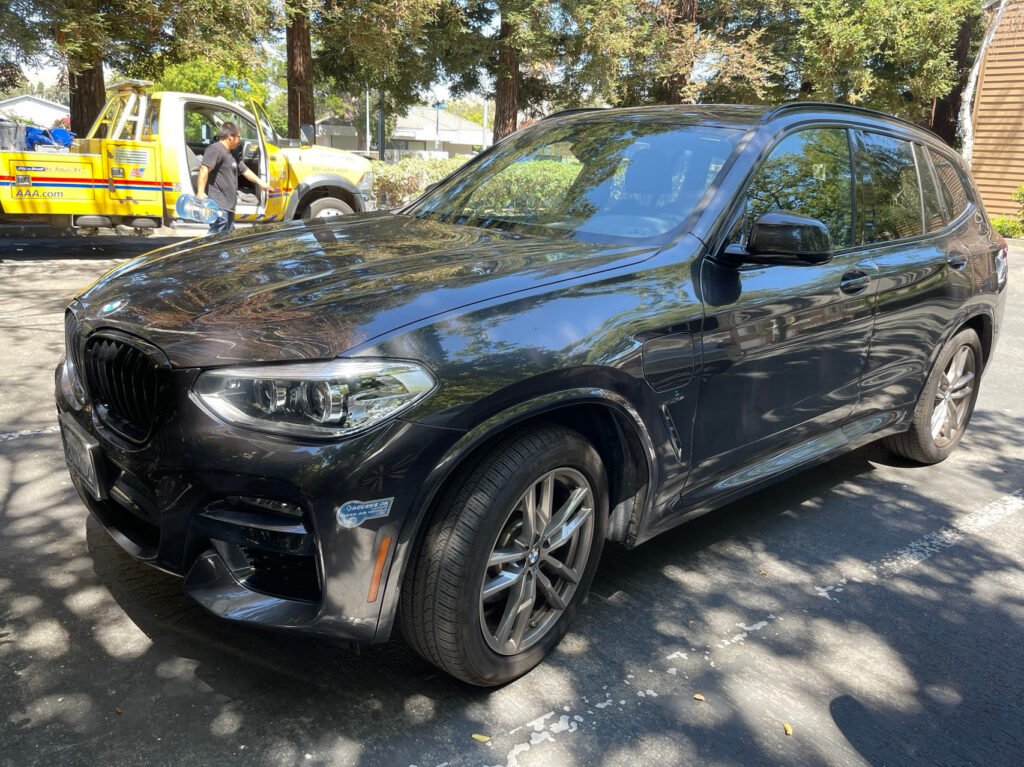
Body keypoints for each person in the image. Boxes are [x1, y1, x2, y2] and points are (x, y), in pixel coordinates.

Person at [196, 122, 274, 234]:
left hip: (229, 205)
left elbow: (244, 170)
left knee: (227, 238)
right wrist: (200, 191)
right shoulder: (215, 149)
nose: (239, 139)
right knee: (216, 238)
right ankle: (205, 252)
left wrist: (261, 182)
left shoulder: (232, 153)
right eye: (238, 137)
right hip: (218, 205)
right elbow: (204, 169)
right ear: (230, 136)